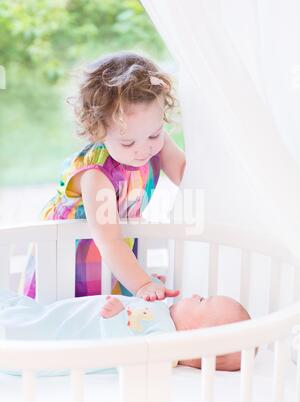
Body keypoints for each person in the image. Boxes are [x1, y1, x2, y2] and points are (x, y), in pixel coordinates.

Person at [19, 51, 186, 300]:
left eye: (154, 134)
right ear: (97, 131)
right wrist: (143, 284)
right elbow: (109, 240)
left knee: (114, 315)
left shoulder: (155, 140)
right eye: (128, 142)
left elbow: (185, 173)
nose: (144, 149)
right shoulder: (96, 176)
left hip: (113, 255)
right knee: (69, 317)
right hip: (70, 259)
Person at [0, 276, 251, 376]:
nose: (196, 294)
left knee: (26, 326)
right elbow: (138, 322)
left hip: (61, 334)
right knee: (31, 312)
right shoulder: (163, 321)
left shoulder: (165, 342)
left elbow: (124, 351)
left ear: (195, 335)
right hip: (64, 317)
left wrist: (116, 318)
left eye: (203, 300)